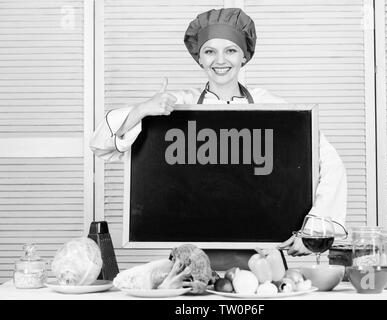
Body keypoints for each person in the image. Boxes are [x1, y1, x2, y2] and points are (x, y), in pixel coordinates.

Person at [90, 8, 348, 257]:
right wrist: (142, 109)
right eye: (210, 51)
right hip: (191, 256)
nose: (220, 60)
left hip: (263, 258)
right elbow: (100, 144)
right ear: (199, 57)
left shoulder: (275, 108)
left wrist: (314, 231)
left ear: (244, 56)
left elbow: (331, 163)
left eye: (231, 50)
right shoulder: (174, 104)